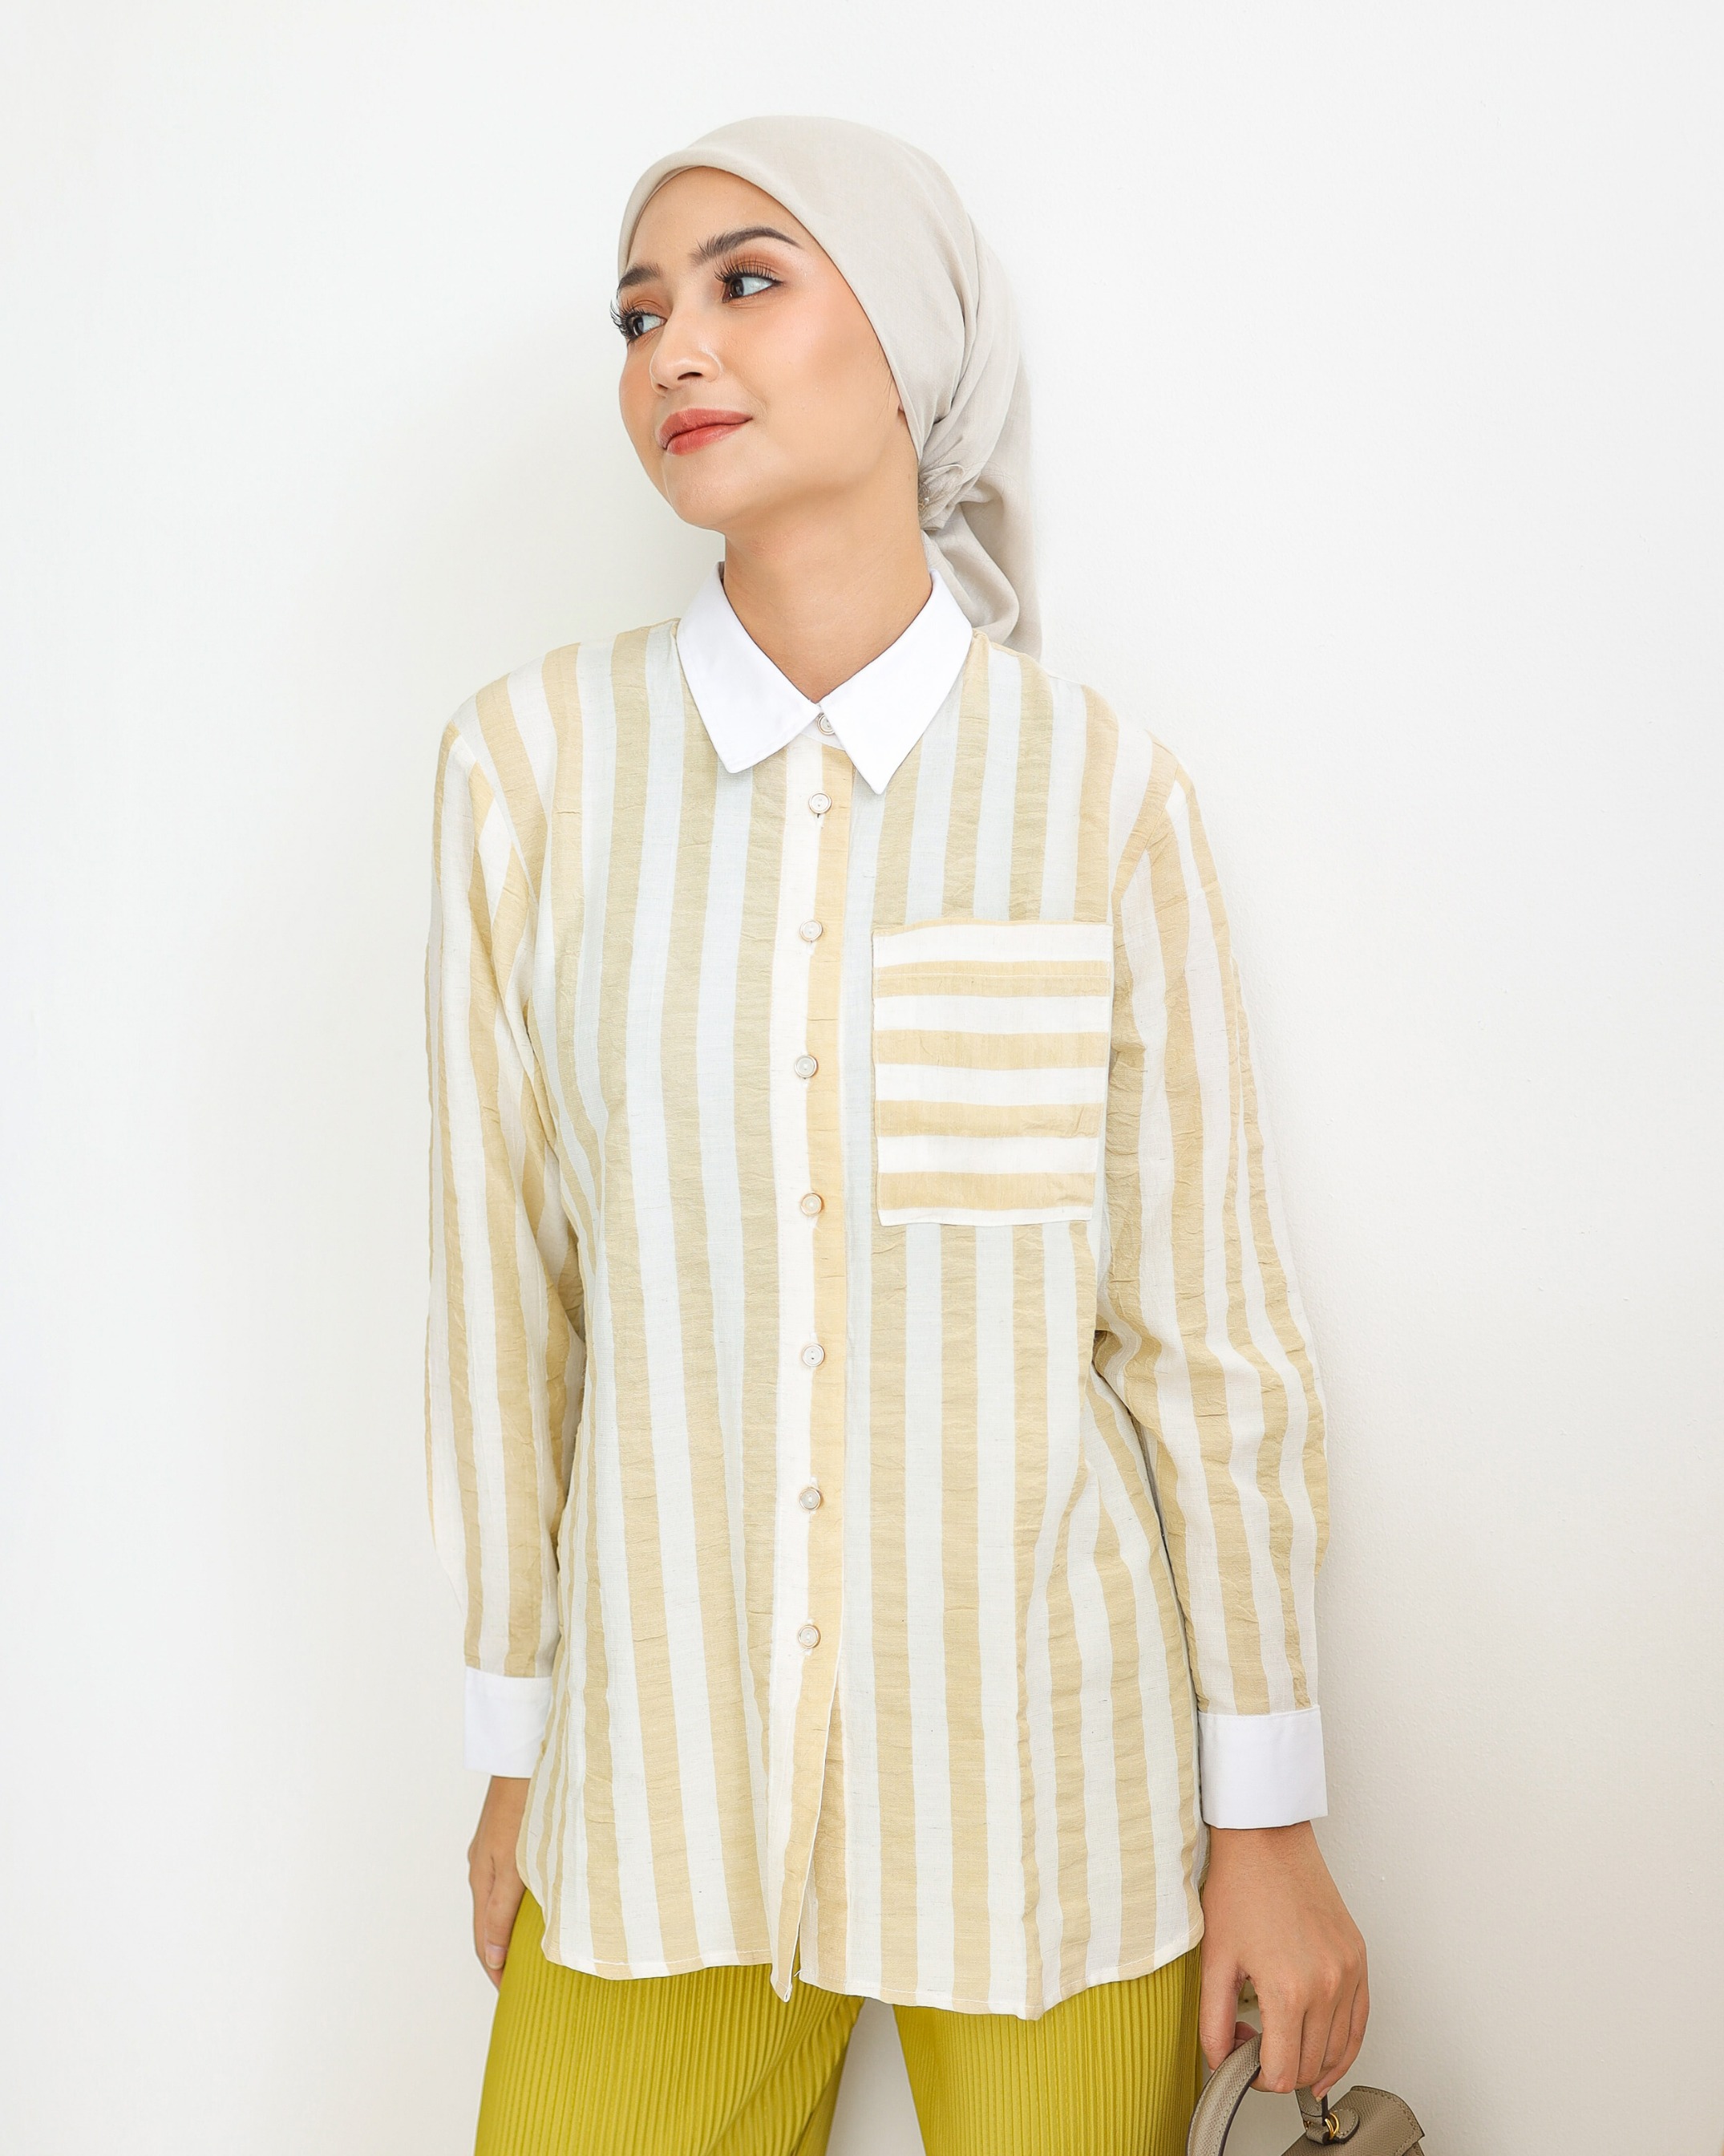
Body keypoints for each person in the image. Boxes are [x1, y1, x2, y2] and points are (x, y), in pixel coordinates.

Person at [423, 114, 1368, 2156]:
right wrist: (515, 1740)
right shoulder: (529, 772)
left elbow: (1204, 1335)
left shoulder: (1096, 793)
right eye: (638, 314)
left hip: (1046, 1797)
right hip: (655, 1786)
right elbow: (505, 1308)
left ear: (914, 342)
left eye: (746, 282)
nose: (675, 347)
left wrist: (1269, 1819)